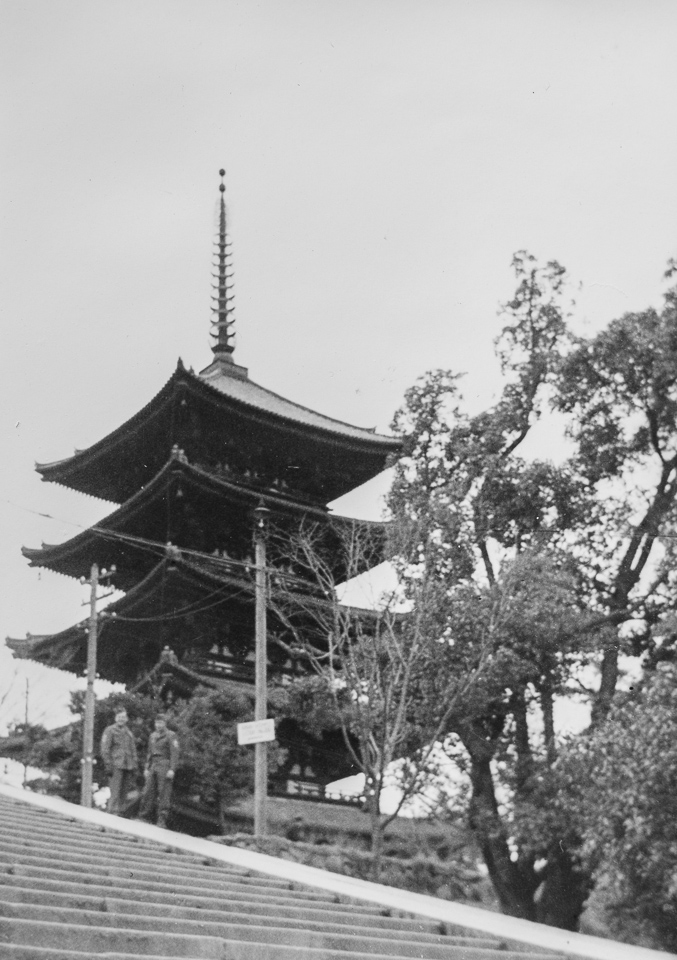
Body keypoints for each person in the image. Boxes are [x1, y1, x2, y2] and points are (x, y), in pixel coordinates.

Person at [140, 714, 180, 828]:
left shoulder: (171, 735)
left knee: (164, 793)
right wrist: (146, 767)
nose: (158, 725)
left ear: (165, 723)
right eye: (157, 723)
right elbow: (149, 753)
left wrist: (172, 769)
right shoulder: (152, 736)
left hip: (164, 765)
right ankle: (143, 816)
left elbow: (174, 753)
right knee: (148, 791)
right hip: (153, 765)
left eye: (161, 723)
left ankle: (161, 819)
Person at [101, 708, 138, 817]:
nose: (121, 719)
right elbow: (105, 749)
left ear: (126, 719)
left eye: (123, 717)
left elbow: (133, 750)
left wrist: (134, 765)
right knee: (115, 790)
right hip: (116, 764)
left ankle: (120, 813)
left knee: (124, 791)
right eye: (119, 717)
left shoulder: (129, 733)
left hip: (128, 765)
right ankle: (112, 812)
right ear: (116, 718)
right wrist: (108, 764)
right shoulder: (110, 730)